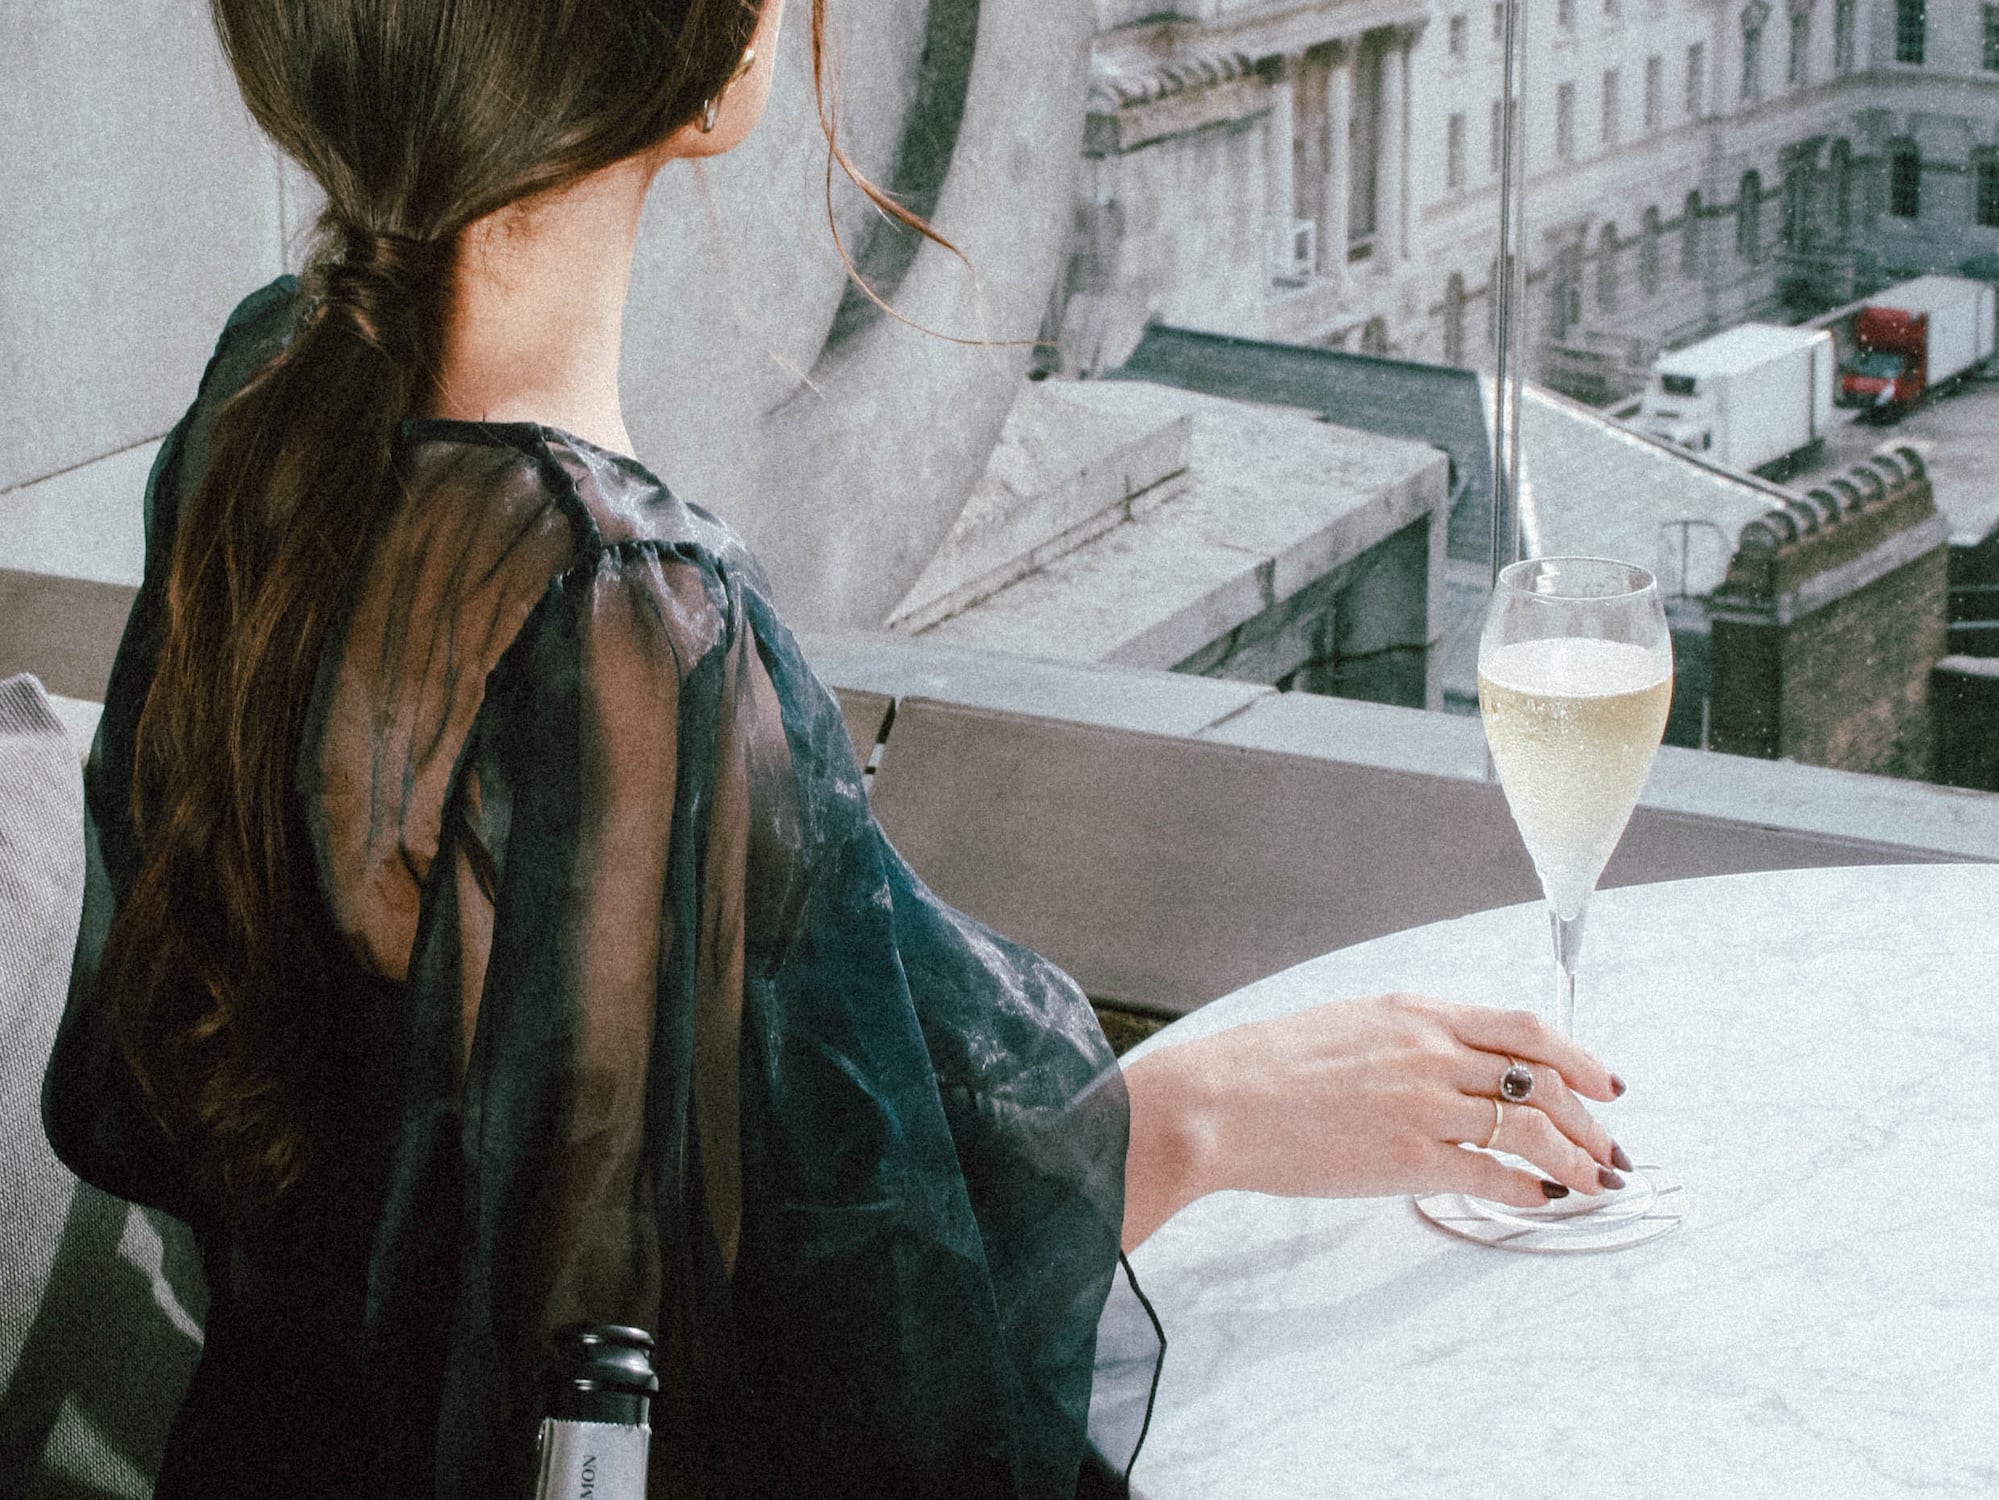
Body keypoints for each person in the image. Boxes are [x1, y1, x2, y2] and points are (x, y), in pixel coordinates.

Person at [43, 1, 1629, 1496]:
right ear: (719, 53)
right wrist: (1200, 1117)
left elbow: (253, 1125)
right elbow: (690, 1376)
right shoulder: (613, 608)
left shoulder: (266, 399)